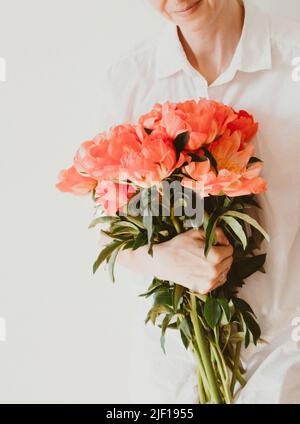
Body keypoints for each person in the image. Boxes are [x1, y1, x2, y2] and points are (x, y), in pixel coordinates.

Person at [98, 0, 300, 403]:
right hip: (172, 374)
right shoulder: (130, 79)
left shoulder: (292, 59)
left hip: (285, 362)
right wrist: (160, 258)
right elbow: (108, 231)